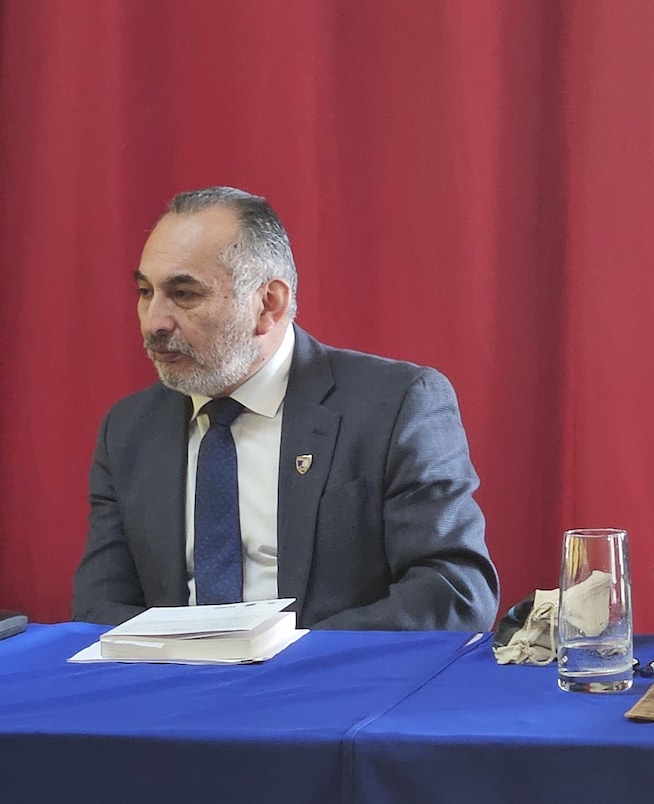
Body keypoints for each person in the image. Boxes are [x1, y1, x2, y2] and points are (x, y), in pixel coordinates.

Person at [73, 187, 500, 630]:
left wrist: (289, 655)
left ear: (268, 304)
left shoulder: (394, 406)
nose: (153, 321)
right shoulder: (129, 430)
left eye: (183, 294)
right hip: (171, 673)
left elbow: (454, 591)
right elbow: (98, 611)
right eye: (145, 291)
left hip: (331, 671)